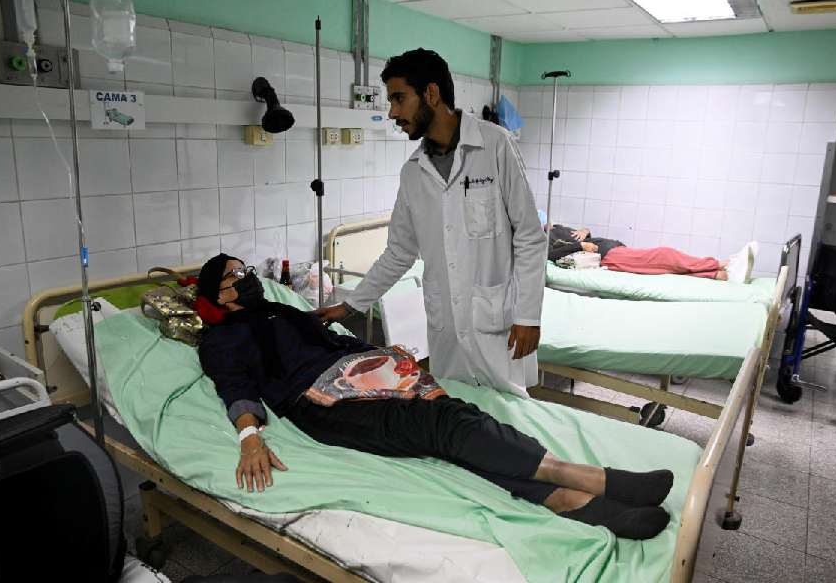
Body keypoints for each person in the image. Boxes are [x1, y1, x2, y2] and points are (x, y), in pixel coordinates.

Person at [195, 254, 674, 540]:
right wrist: (249, 437)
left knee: (454, 415)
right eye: (239, 274)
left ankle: (570, 501)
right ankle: (589, 479)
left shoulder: (282, 308)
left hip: (363, 373)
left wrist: (384, 354)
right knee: (440, 426)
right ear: (218, 293)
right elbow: (234, 386)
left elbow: (338, 341)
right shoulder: (221, 339)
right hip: (322, 402)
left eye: (250, 269)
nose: (251, 277)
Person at [314, 49, 545, 398]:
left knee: (512, 417)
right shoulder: (413, 173)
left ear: (431, 94)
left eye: (399, 98)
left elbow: (529, 236)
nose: (392, 112)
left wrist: (528, 316)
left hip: (497, 324)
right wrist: (351, 305)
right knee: (456, 414)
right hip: (446, 330)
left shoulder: (495, 146)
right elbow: (399, 253)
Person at [547, 224, 758, 283]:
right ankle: (722, 263)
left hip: (612, 249)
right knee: (664, 255)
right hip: (608, 255)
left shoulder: (554, 227)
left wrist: (585, 231)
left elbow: (581, 236)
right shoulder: (540, 239)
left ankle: (720, 275)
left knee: (663, 269)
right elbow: (551, 255)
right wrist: (580, 247)